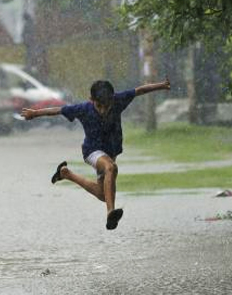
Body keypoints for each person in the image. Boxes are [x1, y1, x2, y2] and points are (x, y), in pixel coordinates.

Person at [20, 78, 171, 230]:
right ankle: (110, 212)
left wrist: (161, 85)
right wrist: (35, 113)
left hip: (111, 151)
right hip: (92, 151)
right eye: (99, 106)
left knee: (103, 194)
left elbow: (139, 91)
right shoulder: (83, 108)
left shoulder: (118, 100)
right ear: (91, 99)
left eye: (107, 106)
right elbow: (58, 110)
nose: (103, 111)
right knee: (111, 167)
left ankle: (66, 174)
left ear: (112, 98)